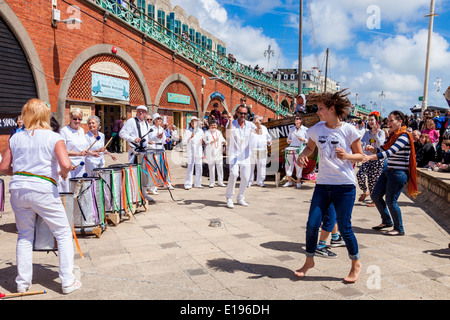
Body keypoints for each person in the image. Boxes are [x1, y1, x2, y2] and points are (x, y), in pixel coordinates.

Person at [0, 98, 81, 294]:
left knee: (25, 235)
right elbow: (65, 164)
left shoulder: (15, 137)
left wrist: (22, 174)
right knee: (62, 233)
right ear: (45, 115)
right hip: (43, 189)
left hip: (18, 189)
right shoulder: (54, 137)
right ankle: (67, 281)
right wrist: (64, 172)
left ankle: (22, 283)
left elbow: (3, 167)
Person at [294, 89, 363, 283]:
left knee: (345, 227)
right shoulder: (317, 129)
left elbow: (360, 155)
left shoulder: (349, 130)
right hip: (323, 185)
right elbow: (310, 146)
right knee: (311, 224)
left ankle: (355, 264)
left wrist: (347, 156)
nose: (318, 112)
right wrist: (303, 154)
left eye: (321, 109)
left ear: (332, 109)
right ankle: (309, 261)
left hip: (345, 186)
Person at [364, 110, 419, 236]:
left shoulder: (404, 136)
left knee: (391, 201)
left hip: (398, 173)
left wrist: (371, 157)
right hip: (389, 171)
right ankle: (386, 221)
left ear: (400, 122)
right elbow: (384, 148)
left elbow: (390, 152)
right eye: (388, 120)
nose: (389, 123)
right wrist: (374, 149)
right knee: (375, 196)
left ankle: (399, 228)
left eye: (391, 120)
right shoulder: (393, 135)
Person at [225, 105, 262, 208]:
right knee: (233, 174)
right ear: (237, 113)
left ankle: (240, 197)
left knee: (245, 177)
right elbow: (227, 135)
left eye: (245, 114)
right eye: (241, 113)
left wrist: (258, 124)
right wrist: (230, 121)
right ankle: (229, 197)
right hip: (234, 154)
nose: (243, 115)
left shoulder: (250, 125)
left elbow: (260, 132)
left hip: (245, 155)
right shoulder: (231, 123)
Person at [59, 108, 94, 192]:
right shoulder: (64, 131)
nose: (77, 121)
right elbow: (62, 150)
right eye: (75, 119)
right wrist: (78, 154)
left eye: (79, 119)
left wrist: (91, 153)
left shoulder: (81, 130)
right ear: (70, 118)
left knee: (79, 189)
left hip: (81, 165)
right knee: (68, 189)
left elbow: (83, 148)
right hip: (69, 165)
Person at [356, 112, 386, 207]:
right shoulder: (366, 133)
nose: (370, 122)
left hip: (377, 158)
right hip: (367, 157)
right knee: (360, 174)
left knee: (373, 180)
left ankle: (374, 200)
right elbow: (362, 143)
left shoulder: (381, 133)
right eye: (369, 120)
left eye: (372, 120)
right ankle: (365, 191)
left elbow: (381, 145)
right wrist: (364, 148)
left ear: (377, 121)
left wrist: (376, 134)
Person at [147, 112, 170, 193]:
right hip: (153, 149)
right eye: (158, 119)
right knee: (154, 168)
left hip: (161, 149)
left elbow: (163, 140)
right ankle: (151, 187)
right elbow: (150, 138)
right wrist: (157, 136)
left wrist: (166, 140)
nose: (159, 120)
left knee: (161, 167)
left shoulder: (161, 129)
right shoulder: (151, 128)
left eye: (160, 118)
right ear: (154, 120)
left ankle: (158, 184)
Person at [283, 114, 308, 188]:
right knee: (288, 164)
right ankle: (289, 181)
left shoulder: (305, 129)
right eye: (295, 119)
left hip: (300, 148)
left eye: (297, 119)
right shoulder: (291, 129)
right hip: (291, 147)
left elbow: (308, 140)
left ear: (301, 120)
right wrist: (289, 141)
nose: (296, 120)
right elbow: (288, 139)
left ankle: (298, 182)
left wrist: (303, 139)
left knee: (299, 165)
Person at [249, 116, 272, 187]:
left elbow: (269, 137)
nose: (256, 122)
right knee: (250, 166)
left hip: (262, 149)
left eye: (258, 121)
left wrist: (269, 142)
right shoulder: (250, 128)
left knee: (261, 165)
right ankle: (250, 181)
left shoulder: (264, 128)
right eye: (255, 120)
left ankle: (260, 181)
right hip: (252, 149)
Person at [183, 116, 204, 189]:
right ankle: (188, 184)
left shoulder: (201, 131)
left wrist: (203, 141)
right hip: (191, 151)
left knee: (199, 167)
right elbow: (184, 141)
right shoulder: (187, 131)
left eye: (195, 121)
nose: (194, 123)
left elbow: (204, 140)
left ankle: (198, 183)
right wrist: (190, 137)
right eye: (192, 121)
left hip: (198, 151)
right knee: (190, 167)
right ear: (190, 123)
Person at [204, 120, 226, 188]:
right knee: (211, 168)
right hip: (211, 152)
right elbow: (206, 141)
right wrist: (212, 141)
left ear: (217, 126)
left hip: (218, 152)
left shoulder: (219, 132)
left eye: (214, 125)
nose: (213, 126)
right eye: (212, 125)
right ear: (209, 126)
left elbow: (222, 140)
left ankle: (220, 182)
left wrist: (224, 142)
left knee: (220, 168)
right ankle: (212, 182)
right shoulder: (207, 133)